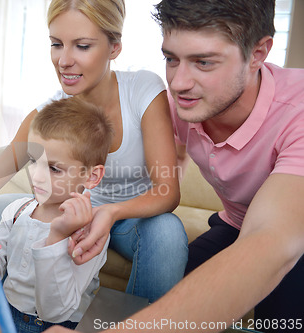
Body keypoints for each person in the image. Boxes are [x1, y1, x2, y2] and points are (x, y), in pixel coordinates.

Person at [48, 0, 304, 332]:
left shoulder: (296, 110)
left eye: (204, 62)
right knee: (172, 293)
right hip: (236, 225)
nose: (179, 83)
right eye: (171, 59)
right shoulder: (184, 104)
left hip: (289, 233)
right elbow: (166, 160)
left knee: (280, 319)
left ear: (258, 53)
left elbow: (271, 239)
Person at [0, 0, 188, 303]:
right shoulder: (48, 114)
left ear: (114, 47)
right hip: (65, 210)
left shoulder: (142, 90)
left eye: (82, 46)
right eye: (56, 44)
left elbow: (167, 191)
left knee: (168, 232)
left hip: (130, 220)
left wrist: (109, 212)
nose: (64, 60)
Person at [0, 97, 113, 332]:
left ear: (91, 177)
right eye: (34, 161)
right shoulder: (19, 210)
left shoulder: (89, 231)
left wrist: (56, 238)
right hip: (6, 316)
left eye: (54, 168)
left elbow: (54, 311)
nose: (37, 176)